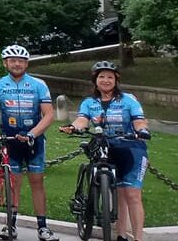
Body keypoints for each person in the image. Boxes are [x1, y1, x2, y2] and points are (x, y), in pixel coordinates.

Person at [62, 61, 151, 241]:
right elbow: (82, 120)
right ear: (95, 80)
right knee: (118, 193)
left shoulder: (128, 100)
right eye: (101, 76)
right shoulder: (89, 102)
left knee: (132, 194)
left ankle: (138, 238)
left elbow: (139, 120)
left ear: (116, 80)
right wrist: (73, 127)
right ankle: (120, 235)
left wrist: (142, 130)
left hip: (131, 149)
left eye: (110, 77)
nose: (106, 80)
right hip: (106, 149)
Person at [0, 45, 57, 241]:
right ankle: (10, 225)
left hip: (34, 140)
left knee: (37, 182)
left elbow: (49, 115)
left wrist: (33, 134)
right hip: (10, 139)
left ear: (26, 63)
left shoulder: (38, 84)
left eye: (21, 61)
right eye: (12, 60)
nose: (17, 64)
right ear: (5, 63)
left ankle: (43, 227)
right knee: (13, 183)